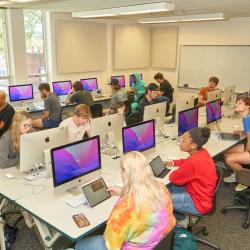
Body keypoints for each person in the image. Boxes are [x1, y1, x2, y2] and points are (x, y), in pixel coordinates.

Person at [75, 151, 175, 250]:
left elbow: (111, 245)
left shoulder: (125, 208)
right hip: (158, 243)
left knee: (80, 244)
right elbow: (143, 197)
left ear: (125, 173)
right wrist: (123, 192)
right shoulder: (162, 188)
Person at [165, 127, 217, 222]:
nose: (180, 142)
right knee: (167, 189)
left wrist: (182, 169)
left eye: (183, 141)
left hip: (197, 202)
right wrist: (174, 163)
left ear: (193, 145)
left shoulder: (193, 163)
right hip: (202, 195)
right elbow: (188, 162)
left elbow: (173, 178)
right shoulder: (202, 152)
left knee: (159, 199)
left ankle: (178, 222)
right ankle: (180, 219)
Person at [223, 97, 250, 191]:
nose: (236, 105)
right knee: (226, 151)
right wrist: (242, 132)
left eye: (240, 103)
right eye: (236, 103)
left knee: (228, 159)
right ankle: (236, 174)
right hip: (248, 144)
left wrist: (245, 153)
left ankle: (244, 180)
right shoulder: (246, 117)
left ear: (247, 106)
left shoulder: (248, 119)